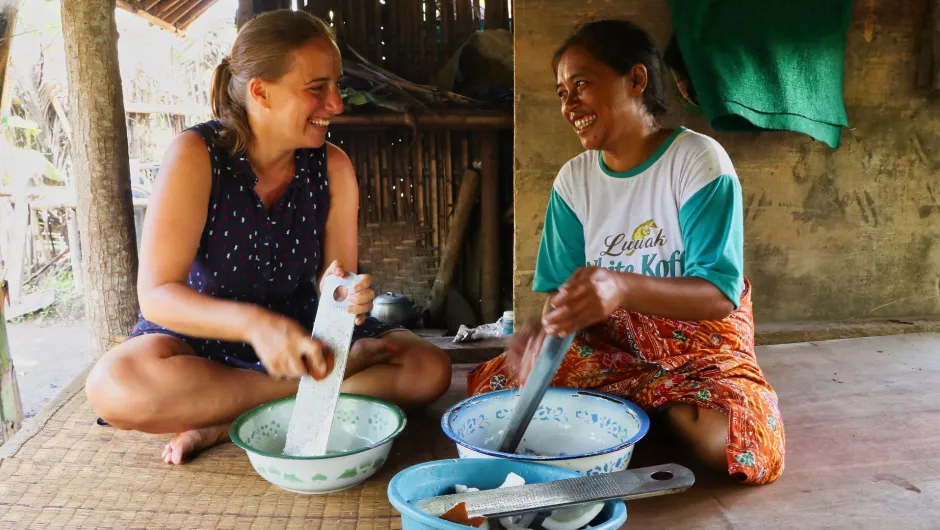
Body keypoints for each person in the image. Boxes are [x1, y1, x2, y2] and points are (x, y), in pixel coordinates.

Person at [86, 10, 452, 465]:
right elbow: (158, 296)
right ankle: (311, 394)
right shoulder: (197, 156)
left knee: (428, 369)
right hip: (202, 348)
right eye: (317, 88)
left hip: (301, 344)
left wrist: (343, 295)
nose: (336, 104)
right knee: (115, 385)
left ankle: (226, 422)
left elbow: (336, 288)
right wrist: (256, 327)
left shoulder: (333, 168)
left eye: (336, 85)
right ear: (260, 91)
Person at [467, 19, 785, 485]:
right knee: (491, 391)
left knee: (738, 444)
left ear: (635, 80)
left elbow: (719, 293)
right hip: (612, 349)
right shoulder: (574, 181)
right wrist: (542, 330)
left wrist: (621, 287)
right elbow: (563, 294)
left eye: (581, 85)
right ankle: (642, 402)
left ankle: (658, 404)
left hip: (699, 347)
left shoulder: (697, 162)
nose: (569, 104)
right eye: (561, 93)